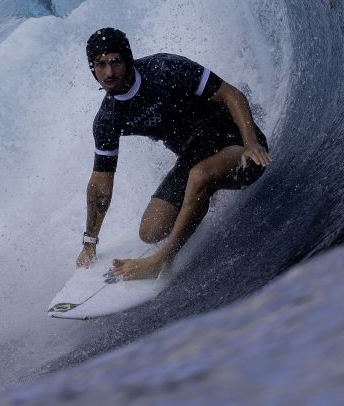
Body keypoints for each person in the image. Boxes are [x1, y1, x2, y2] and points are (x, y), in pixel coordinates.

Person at [76, 28, 272, 281]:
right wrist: (90, 241)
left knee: (200, 176)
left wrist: (251, 143)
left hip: (234, 141)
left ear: (128, 60)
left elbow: (231, 94)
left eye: (115, 62)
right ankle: (205, 194)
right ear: (92, 69)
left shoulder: (165, 70)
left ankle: (161, 260)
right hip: (194, 155)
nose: (109, 73)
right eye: (100, 65)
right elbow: (101, 185)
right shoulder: (108, 119)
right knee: (150, 231)